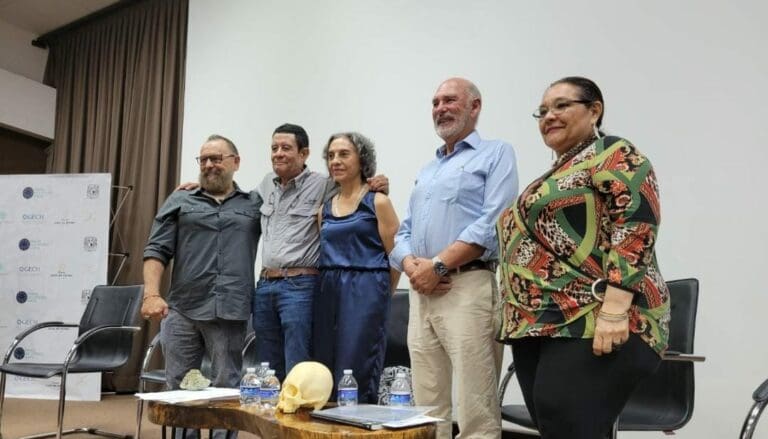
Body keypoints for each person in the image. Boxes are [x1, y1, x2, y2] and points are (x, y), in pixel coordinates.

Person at [496, 76, 670, 439]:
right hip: (542, 325)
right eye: (542, 111)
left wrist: (615, 308)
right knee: (563, 428)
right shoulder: (558, 172)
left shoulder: (613, 153)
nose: (549, 116)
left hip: (593, 318)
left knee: (568, 425)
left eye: (561, 105)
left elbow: (636, 221)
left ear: (594, 111)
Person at [389, 78, 518, 439]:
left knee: (475, 404)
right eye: (434, 102)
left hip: (467, 287)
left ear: (475, 106)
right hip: (422, 291)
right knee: (426, 407)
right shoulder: (428, 170)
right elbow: (403, 233)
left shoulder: (496, 153)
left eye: (449, 100)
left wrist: (438, 265)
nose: (440, 108)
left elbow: (493, 223)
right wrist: (414, 265)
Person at [142, 134, 261, 439]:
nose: (209, 165)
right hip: (182, 309)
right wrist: (151, 294)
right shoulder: (181, 200)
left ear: (235, 162)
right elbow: (156, 249)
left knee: (227, 389)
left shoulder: (255, 204)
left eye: (217, 158)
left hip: (231, 309)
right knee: (180, 388)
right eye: (204, 159)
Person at [253, 123, 389, 381]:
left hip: (300, 287)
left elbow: (356, 190)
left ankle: (297, 418)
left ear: (303, 154)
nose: (278, 153)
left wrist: (380, 183)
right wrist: (200, 187)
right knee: (265, 369)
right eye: (274, 148)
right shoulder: (265, 186)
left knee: (299, 369)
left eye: (286, 148)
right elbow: (235, 201)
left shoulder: (324, 185)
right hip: (265, 287)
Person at [312, 132, 400, 404]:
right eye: (330, 156)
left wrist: (382, 294)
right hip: (327, 290)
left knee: (357, 362)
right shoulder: (324, 209)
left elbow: (396, 256)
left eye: (343, 154)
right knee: (324, 363)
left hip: (366, 290)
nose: (335, 161)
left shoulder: (378, 202)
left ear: (362, 159)